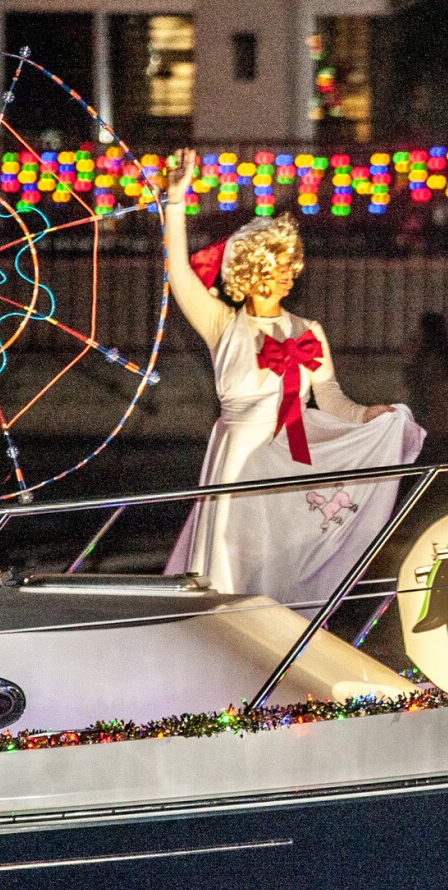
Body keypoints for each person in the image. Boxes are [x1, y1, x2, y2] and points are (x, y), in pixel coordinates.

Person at [160, 148, 425, 603]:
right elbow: (179, 272)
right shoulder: (222, 324)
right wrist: (177, 200)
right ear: (253, 269)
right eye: (279, 266)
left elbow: (331, 398)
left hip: (289, 457)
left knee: (280, 562)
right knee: (227, 560)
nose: (289, 275)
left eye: (291, 266)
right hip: (237, 459)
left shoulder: (308, 331)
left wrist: (368, 415)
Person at [403, 311, 448, 444]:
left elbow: (413, 374)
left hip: (426, 399)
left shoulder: (426, 353)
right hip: (435, 399)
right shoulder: (442, 351)